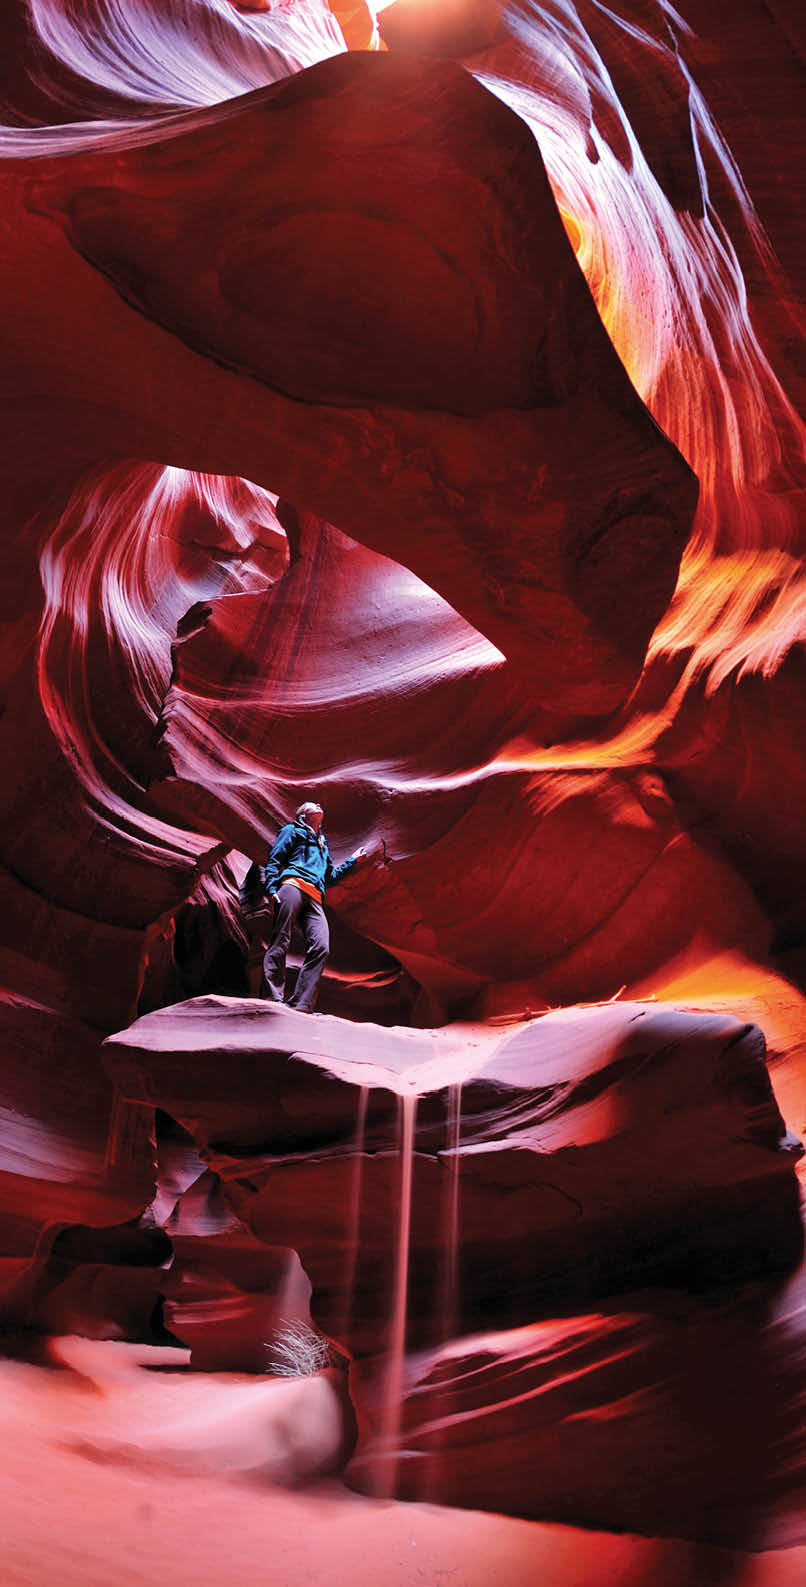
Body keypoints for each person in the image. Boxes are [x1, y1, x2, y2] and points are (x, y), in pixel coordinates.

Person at [262, 802, 366, 1012]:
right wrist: (272, 886)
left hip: (315, 896)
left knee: (321, 946)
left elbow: (329, 877)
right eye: (312, 804)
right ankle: (273, 998)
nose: (318, 804)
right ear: (302, 814)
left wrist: (352, 860)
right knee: (281, 938)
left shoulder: (322, 843)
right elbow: (275, 857)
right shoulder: (292, 830)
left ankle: (301, 1005)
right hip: (292, 885)